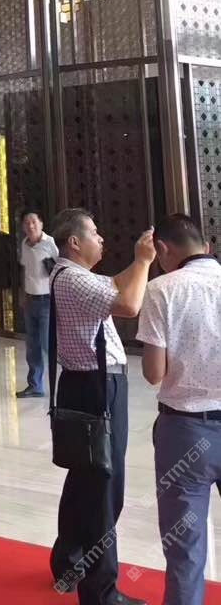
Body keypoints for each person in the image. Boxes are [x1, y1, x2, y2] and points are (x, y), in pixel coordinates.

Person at [49, 207, 155, 605]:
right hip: (98, 387)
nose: (101, 238)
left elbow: (116, 284)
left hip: (85, 384)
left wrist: (137, 261)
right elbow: (129, 304)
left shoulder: (71, 275)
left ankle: (68, 562)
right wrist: (144, 260)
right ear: (75, 242)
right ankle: (101, 592)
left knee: (84, 479)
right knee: (105, 490)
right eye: (94, 233)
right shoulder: (74, 279)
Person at [137, 214, 221, 605]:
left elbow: (154, 373)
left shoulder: (161, 290)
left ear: (163, 249)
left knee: (185, 550)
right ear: (206, 246)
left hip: (186, 432)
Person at [16, 210, 59, 398]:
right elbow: (25, 270)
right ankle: (35, 385)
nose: (30, 226)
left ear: (41, 223)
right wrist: (22, 294)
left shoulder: (50, 243)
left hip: (47, 301)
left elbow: (61, 269)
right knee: (32, 346)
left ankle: (62, 384)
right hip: (30, 300)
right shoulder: (24, 244)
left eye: (34, 221)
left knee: (48, 345)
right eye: (27, 223)